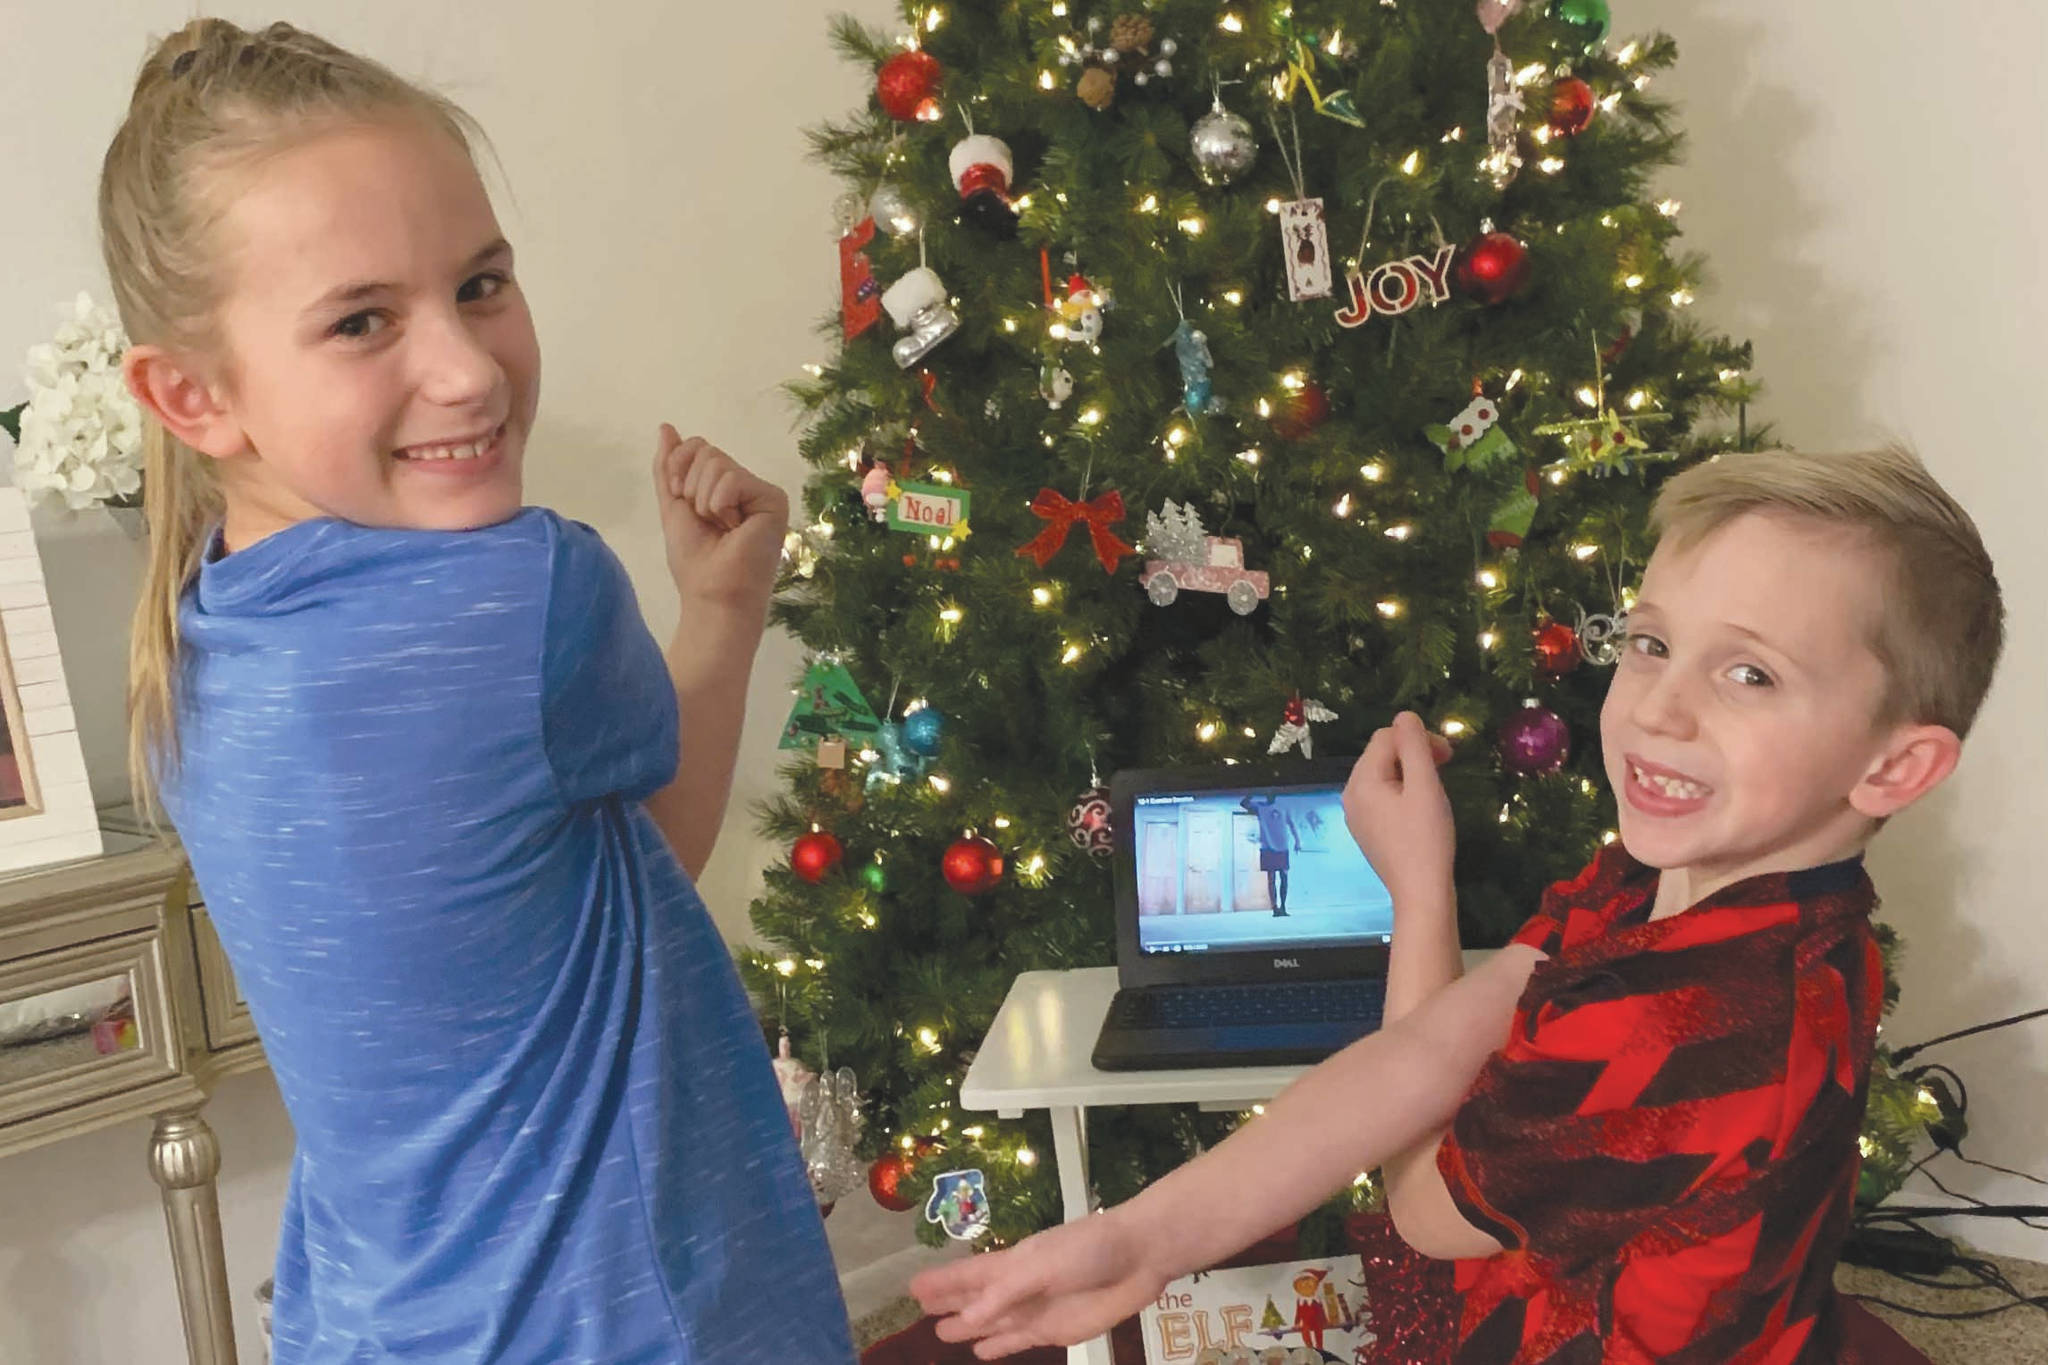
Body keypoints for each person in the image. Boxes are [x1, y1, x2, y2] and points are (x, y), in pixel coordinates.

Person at [106, 20, 854, 1362]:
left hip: (377, 1324)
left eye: (482, 284)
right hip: (630, 1319)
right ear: (192, 393)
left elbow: (550, 913)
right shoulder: (528, 596)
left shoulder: (196, 633)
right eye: (361, 319)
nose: (467, 368)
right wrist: (729, 608)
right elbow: (659, 845)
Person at [914, 446, 2001, 1364]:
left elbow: (1421, 1209)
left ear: (1893, 769)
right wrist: (1144, 1239)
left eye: (1749, 675)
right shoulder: (1668, 877)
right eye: (1651, 643)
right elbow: (1437, 1045)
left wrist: (1418, 889)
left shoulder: (1702, 1010)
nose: (1657, 710)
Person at [1241, 793, 1302, 914]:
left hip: (1282, 847)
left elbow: (1292, 825)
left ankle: (1283, 907)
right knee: (1271, 879)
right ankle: (1275, 908)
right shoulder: (1260, 807)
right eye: (1268, 793)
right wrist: (1251, 793)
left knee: (1284, 877)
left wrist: (1297, 842)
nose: (1270, 795)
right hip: (1267, 847)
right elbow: (1243, 804)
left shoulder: (1283, 807)